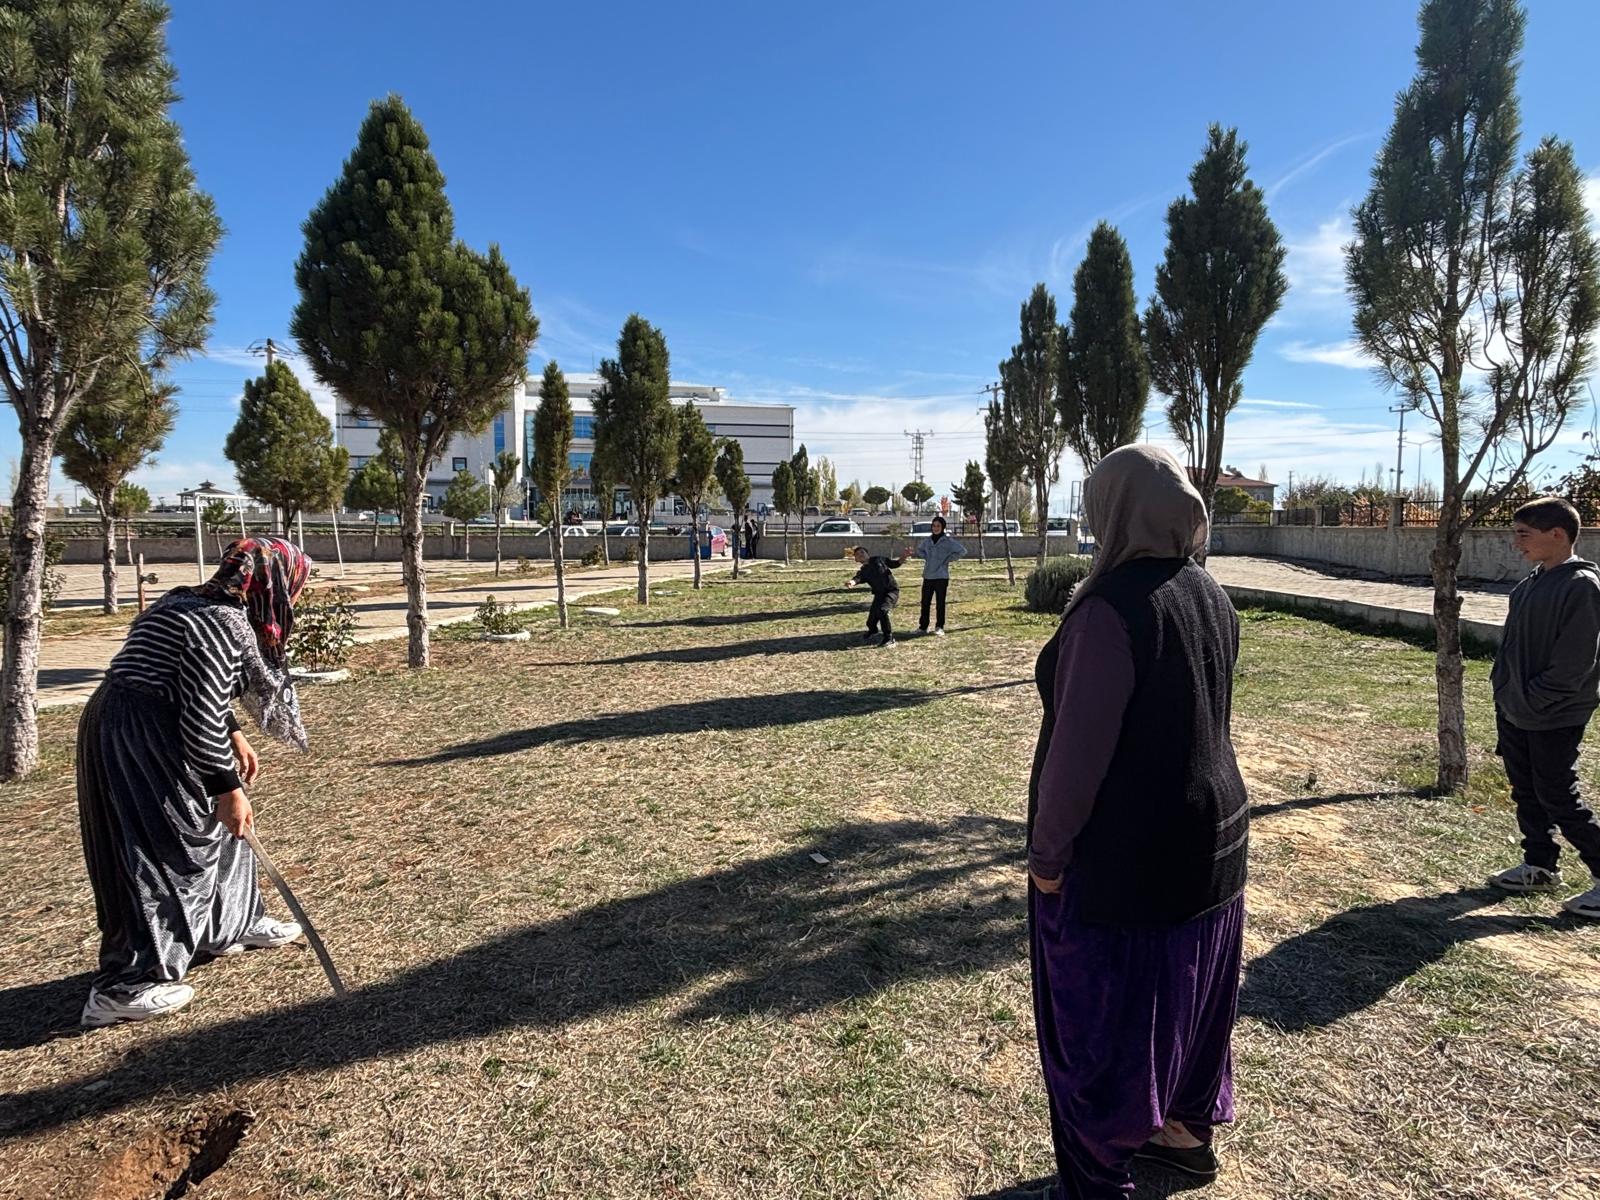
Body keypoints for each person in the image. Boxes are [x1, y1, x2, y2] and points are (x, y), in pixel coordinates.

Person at [1026, 445, 1248, 1197]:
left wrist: (1048, 859)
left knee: (1102, 1034)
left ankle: (1097, 1176)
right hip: (1214, 840)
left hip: (1126, 860)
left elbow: (1076, 758)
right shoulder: (1208, 592)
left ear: (1112, 510)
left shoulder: (1108, 609)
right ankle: (1183, 1136)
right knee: (1191, 998)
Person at [76, 537, 315, 1028]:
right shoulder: (222, 621)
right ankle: (126, 985)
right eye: (292, 583)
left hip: (142, 716)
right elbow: (199, 717)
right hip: (140, 732)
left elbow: (197, 685)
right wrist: (228, 787)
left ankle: (231, 925)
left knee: (217, 836)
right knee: (162, 847)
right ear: (270, 582)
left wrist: (235, 733)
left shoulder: (189, 599)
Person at [1486, 496, 1600, 920]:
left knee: (1557, 794)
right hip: (1516, 709)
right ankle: (1539, 865)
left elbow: (1575, 663)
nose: (1516, 543)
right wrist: (1506, 691)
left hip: (1554, 713)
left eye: (1523, 535)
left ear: (1557, 534)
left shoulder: (1581, 586)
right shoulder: (1533, 580)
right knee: (1526, 790)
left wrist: (1535, 697)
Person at [904, 515, 967, 636]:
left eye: (938, 526)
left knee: (940, 603)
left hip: (941, 577)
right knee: (925, 602)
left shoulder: (948, 541)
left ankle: (939, 627)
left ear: (943, 527)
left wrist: (948, 559)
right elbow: (920, 550)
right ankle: (923, 627)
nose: (935, 528)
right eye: (934, 526)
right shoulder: (927, 541)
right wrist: (926, 556)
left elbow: (962, 551)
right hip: (928, 576)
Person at [844, 545, 902, 648]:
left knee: (882, 610)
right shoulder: (864, 570)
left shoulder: (879, 559)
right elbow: (858, 578)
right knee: (871, 620)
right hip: (879, 594)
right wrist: (852, 582)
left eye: (862, 552)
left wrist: (904, 557)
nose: (860, 555)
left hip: (891, 591)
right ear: (856, 559)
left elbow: (894, 564)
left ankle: (888, 638)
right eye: (857, 554)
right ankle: (873, 630)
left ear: (867, 554)